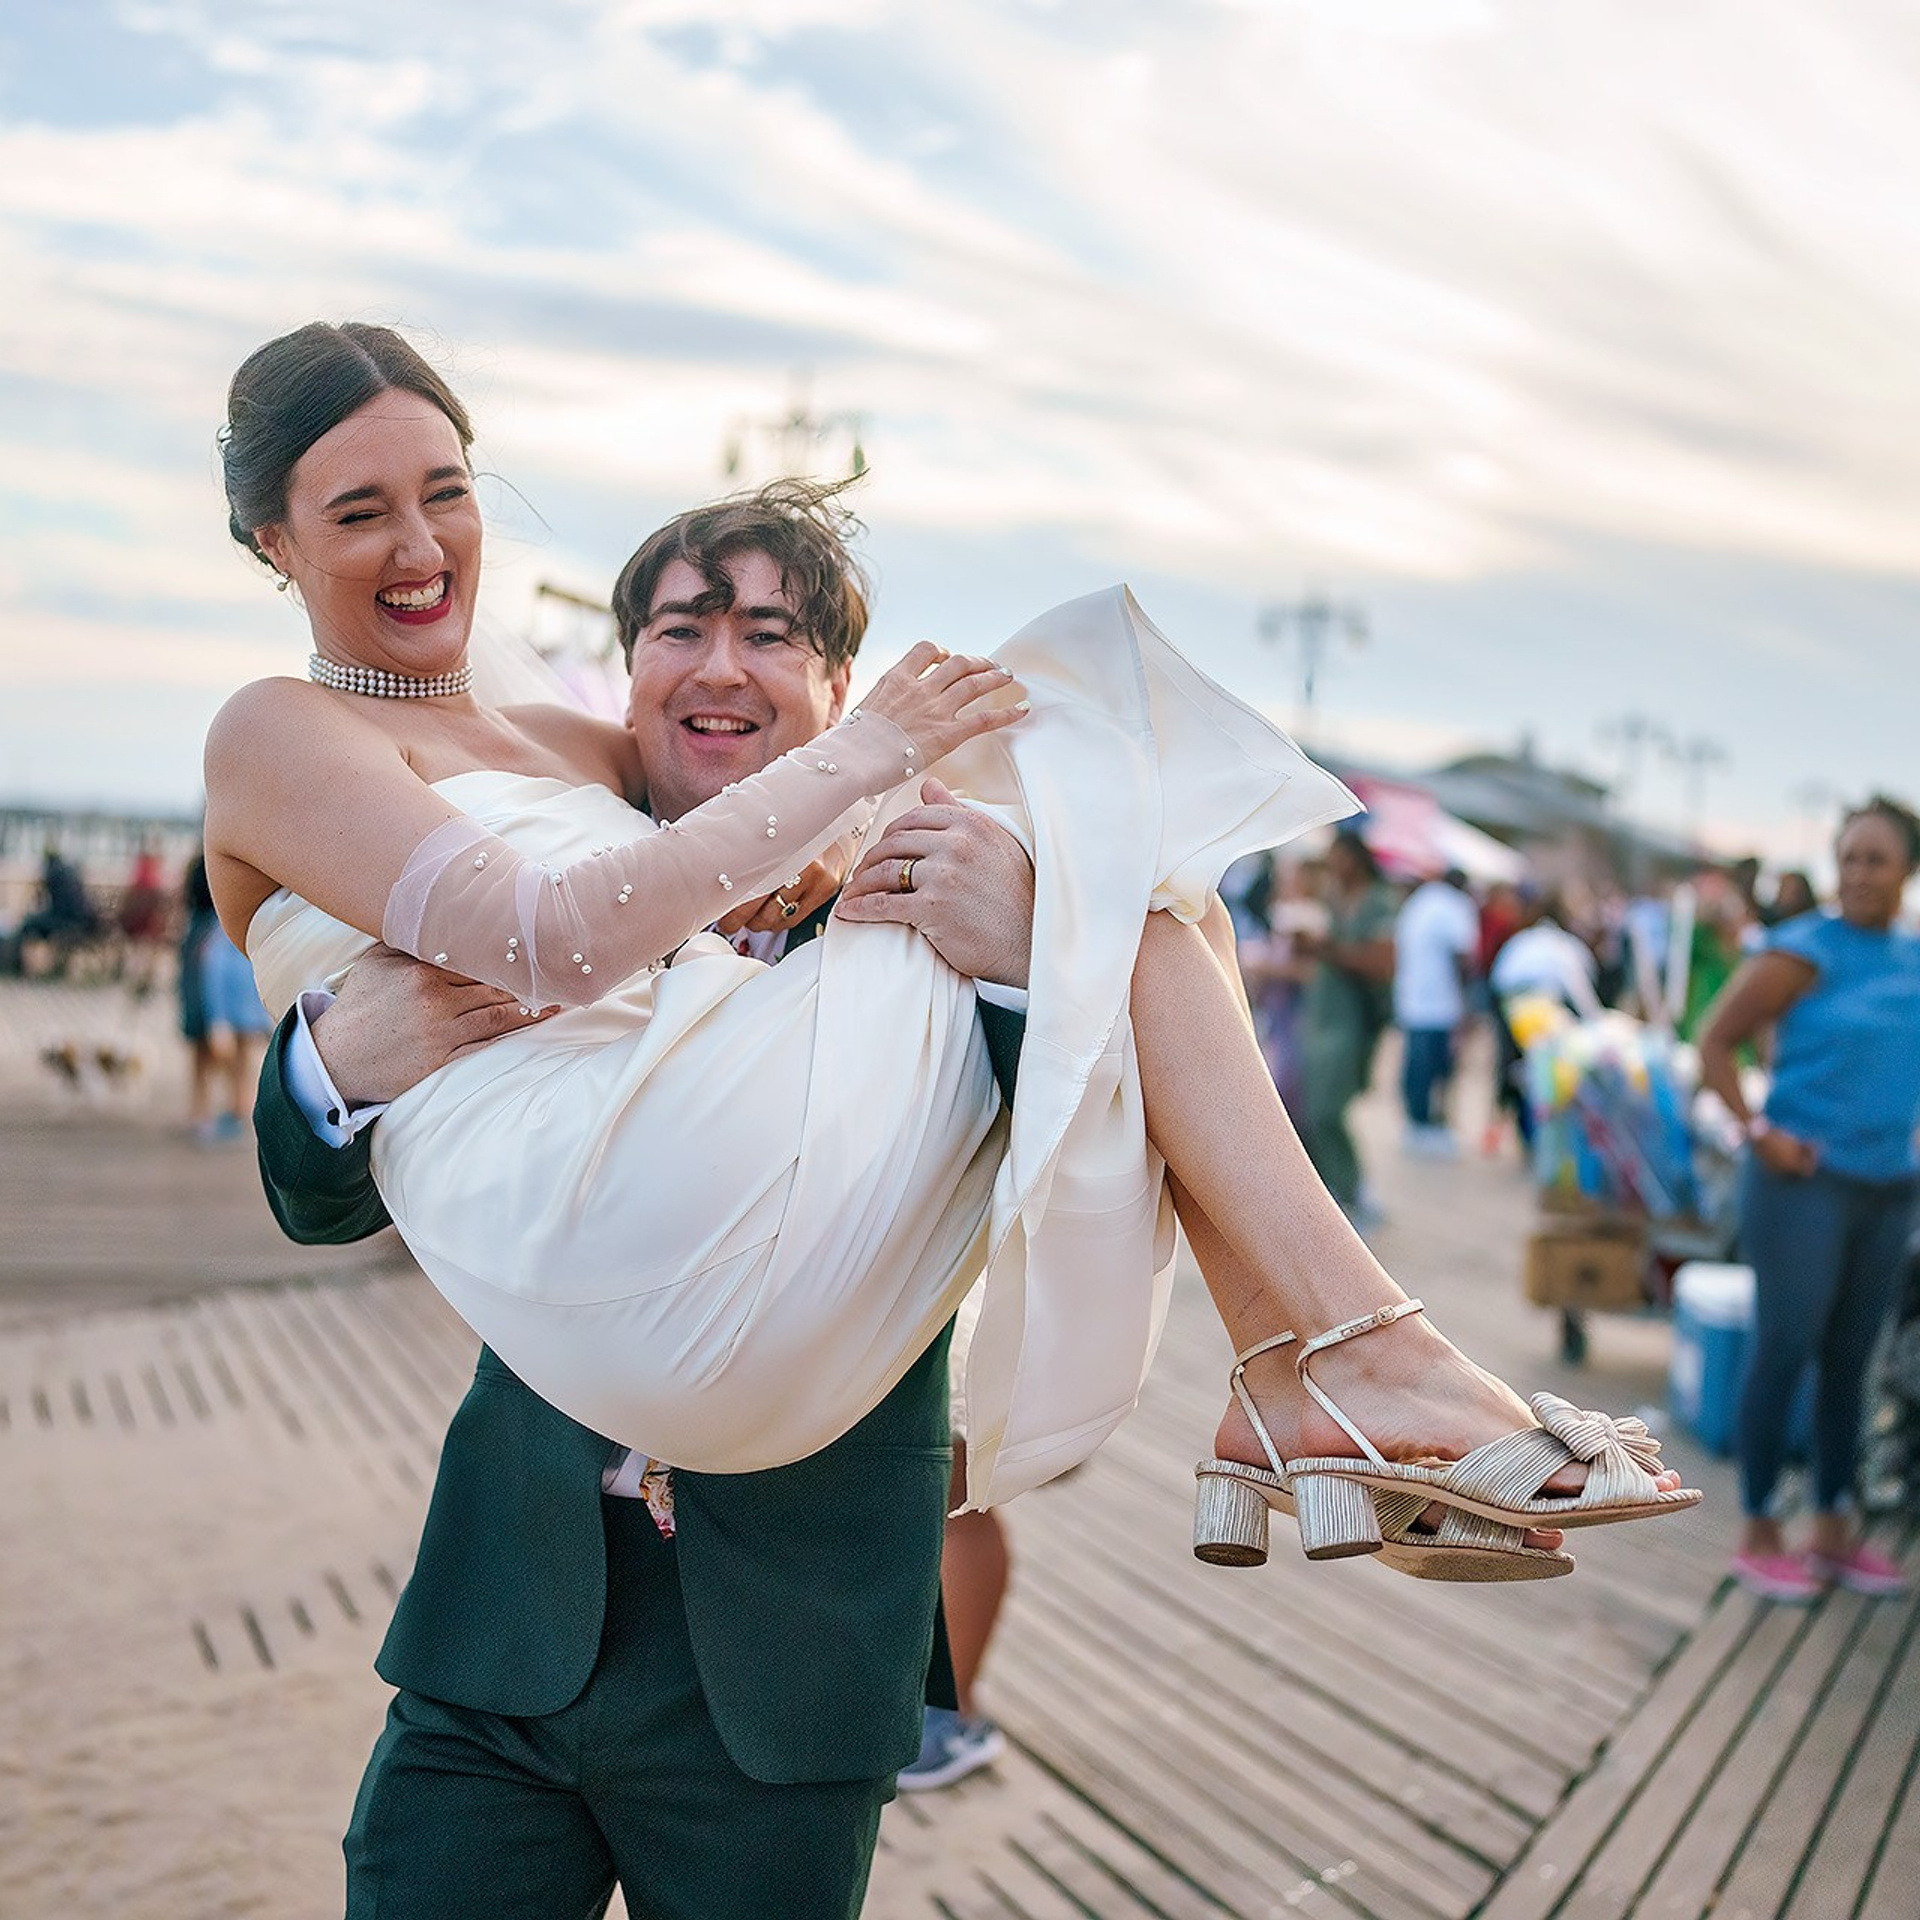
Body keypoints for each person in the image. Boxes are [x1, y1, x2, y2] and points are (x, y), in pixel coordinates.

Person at [219, 321, 1693, 1912]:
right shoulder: (542, 827)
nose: (722, 667)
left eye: (773, 638)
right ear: (627, 679)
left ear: (839, 684)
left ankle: (1331, 1359)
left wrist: (1026, 949)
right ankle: (1336, 1363)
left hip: (786, 1662)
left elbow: (1093, 1161)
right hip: (506, 1633)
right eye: (681, 630)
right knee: (1122, 842)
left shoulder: (939, 917)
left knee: (1118, 884)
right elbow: (341, 1182)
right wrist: (331, 1066)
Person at [1698, 796, 1920, 1603]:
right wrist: (1759, 1131)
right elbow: (1714, 1042)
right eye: (1849, 857)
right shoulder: (1802, 951)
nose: (1859, 873)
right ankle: (1759, 1530)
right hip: (1802, 1184)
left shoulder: (1913, 957)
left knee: (1852, 1362)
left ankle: (1833, 1526)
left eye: (1877, 859)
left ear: (1908, 871)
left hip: (1890, 1189)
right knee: (1785, 1346)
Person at [1292, 830, 1397, 1220]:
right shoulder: (1334, 901)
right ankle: (1332, 1189)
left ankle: (1353, 1188)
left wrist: (1326, 950)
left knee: (1328, 1109)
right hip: (1322, 1015)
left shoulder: (1378, 903)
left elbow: (1382, 962)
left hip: (1351, 1021)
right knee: (1310, 1108)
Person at [1392, 866, 1478, 1156]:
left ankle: (1417, 1124)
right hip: (1441, 1003)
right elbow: (1462, 958)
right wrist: (1466, 1004)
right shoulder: (1455, 906)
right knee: (1439, 1069)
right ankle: (1431, 1126)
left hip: (1412, 998)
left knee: (1416, 1067)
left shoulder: (1419, 902)